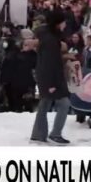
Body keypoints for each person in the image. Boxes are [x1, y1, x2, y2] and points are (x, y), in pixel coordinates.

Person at [31, 9, 71, 144]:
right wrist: (52, 84)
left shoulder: (47, 35)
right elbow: (50, 62)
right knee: (64, 104)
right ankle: (55, 133)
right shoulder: (51, 40)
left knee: (45, 103)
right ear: (58, 23)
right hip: (51, 78)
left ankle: (38, 133)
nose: (65, 24)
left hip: (45, 76)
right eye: (63, 21)